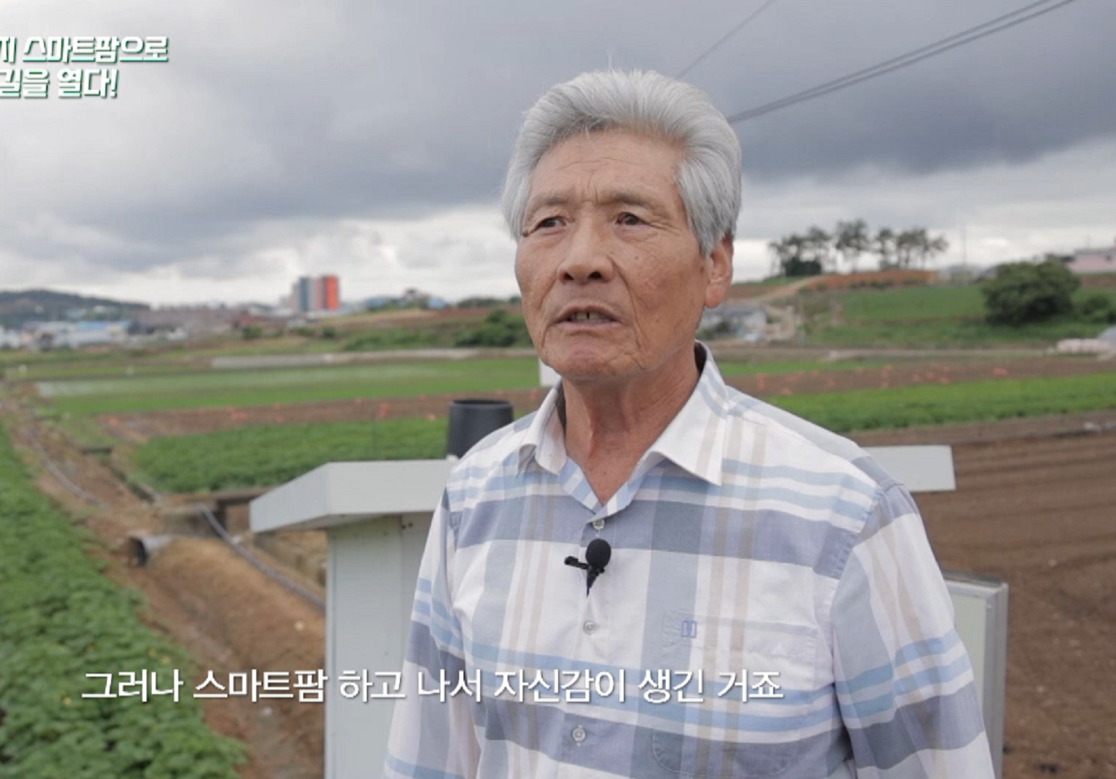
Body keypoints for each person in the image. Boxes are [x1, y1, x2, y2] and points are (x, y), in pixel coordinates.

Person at [383, 70, 993, 779]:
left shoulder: (845, 514)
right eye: (549, 223)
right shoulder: (474, 497)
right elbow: (429, 759)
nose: (580, 261)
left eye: (630, 219)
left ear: (715, 264)